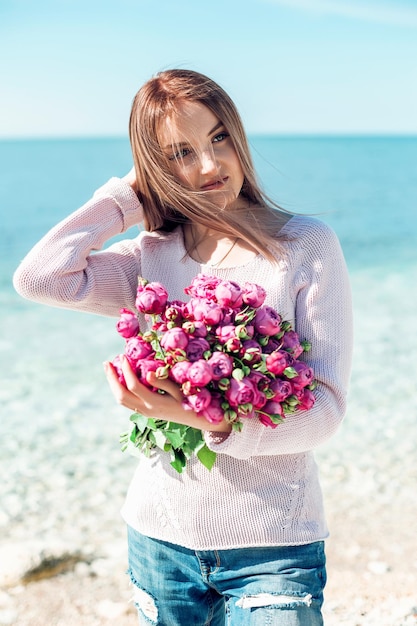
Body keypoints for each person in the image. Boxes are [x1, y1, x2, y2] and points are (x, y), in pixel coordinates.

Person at [13, 69, 353, 625]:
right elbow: (40, 277)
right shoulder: (149, 257)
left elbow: (326, 410)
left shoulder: (305, 245)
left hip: (273, 543)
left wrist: (203, 416)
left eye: (219, 138)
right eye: (179, 153)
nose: (209, 165)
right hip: (159, 538)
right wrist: (125, 200)